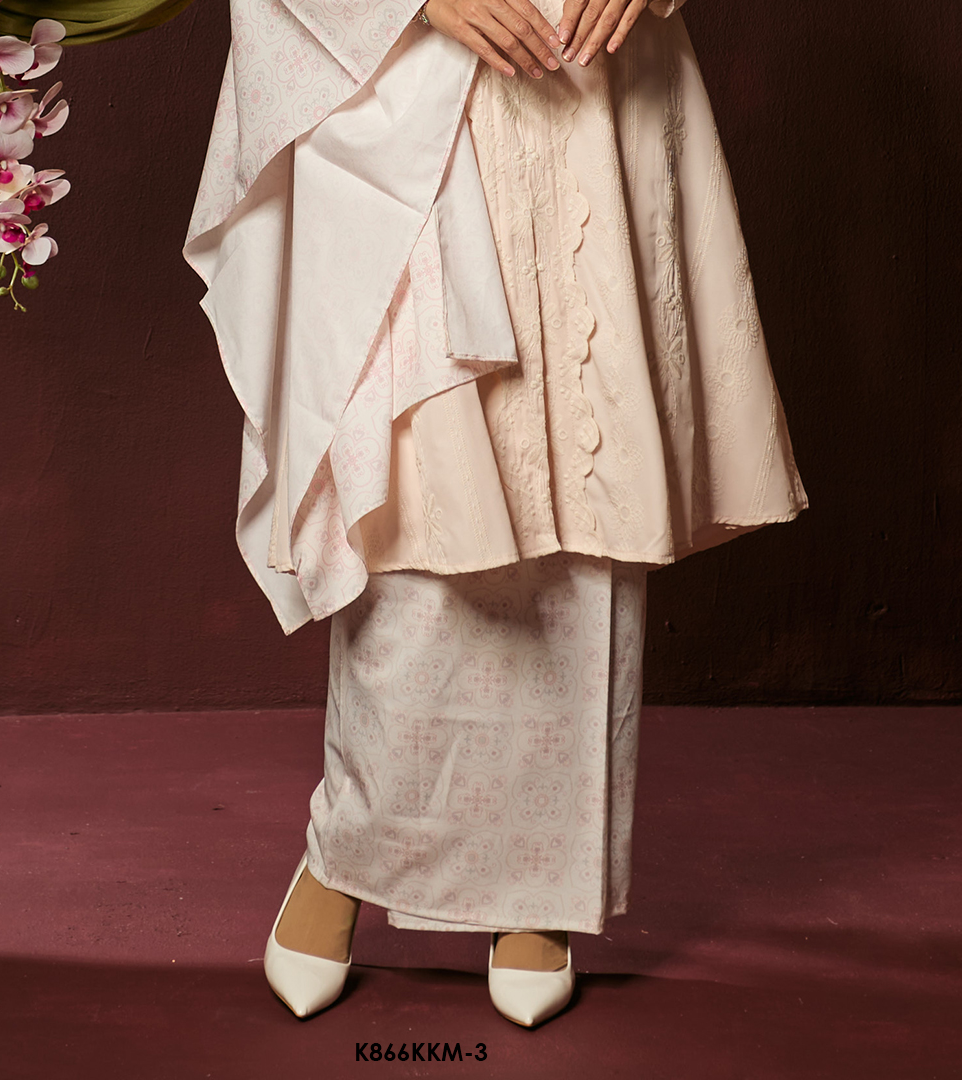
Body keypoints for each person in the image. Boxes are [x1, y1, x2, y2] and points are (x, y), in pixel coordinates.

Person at [183, 0, 807, 1026]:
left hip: (596, 82)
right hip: (415, 88)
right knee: (415, 494)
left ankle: (539, 890)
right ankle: (349, 851)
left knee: (586, 479)